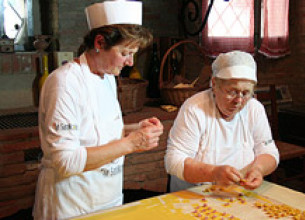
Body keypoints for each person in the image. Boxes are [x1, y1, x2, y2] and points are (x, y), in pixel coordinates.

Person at [33, 1, 163, 219]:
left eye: (134, 53)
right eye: (125, 52)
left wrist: (135, 130)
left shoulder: (107, 78)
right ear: (100, 43)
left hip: (107, 197)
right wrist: (131, 143)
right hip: (71, 204)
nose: (130, 62)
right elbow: (65, 161)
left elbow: (97, 133)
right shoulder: (65, 82)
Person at [165, 51, 280, 192]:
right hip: (196, 194)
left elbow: (269, 152)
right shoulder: (195, 108)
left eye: (246, 93)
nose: (239, 100)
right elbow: (173, 161)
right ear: (214, 84)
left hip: (239, 192)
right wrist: (213, 173)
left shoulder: (254, 108)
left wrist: (258, 169)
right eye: (232, 91)